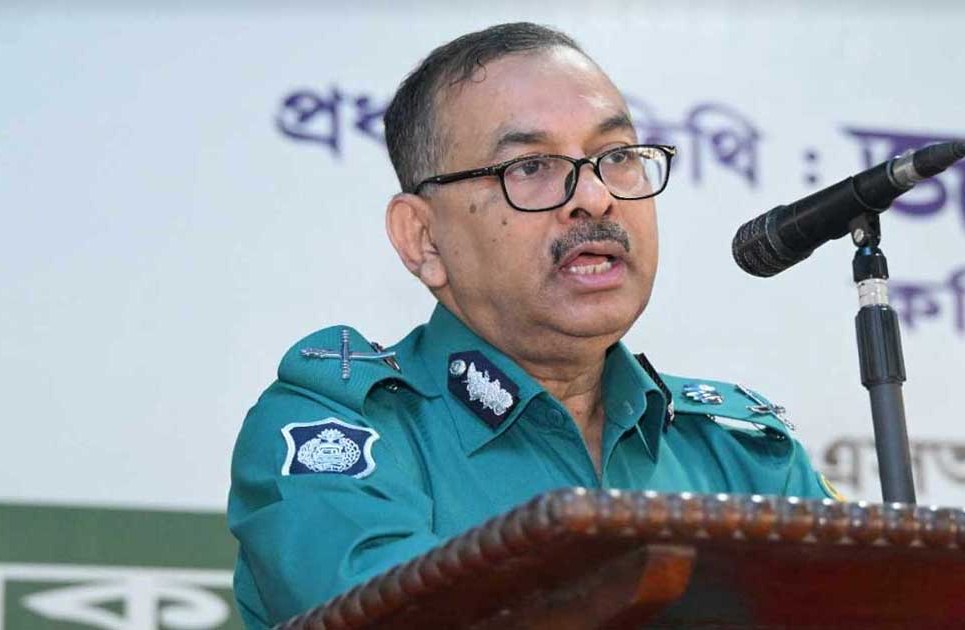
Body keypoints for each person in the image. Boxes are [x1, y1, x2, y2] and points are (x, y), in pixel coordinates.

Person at [228, 22, 841, 629]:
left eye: (617, 156)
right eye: (530, 167)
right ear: (423, 238)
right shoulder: (347, 428)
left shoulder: (741, 454)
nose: (595, 197)